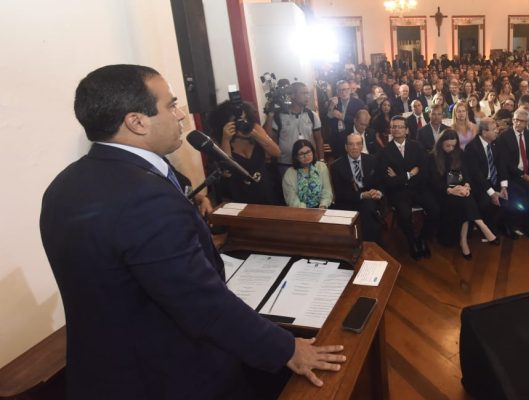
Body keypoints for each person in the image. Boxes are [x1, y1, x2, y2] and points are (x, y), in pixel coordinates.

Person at [41, 65, 344, 399]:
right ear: (136, 122)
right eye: (170, 106)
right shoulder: (145, 197)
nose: (181, 115)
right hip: (167, 376)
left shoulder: (64, 185)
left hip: (103, 371)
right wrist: (288, 350)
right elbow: (202, 304)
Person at [427, 130, 499, 259]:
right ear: (440, 144)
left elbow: (466, 174)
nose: (451, 149)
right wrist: (450, 190)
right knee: (464, 200)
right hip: (442, 192)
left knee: (465, 197)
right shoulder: (432, 157)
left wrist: (467, 185)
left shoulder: (459, 153)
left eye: (453, 146)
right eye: (447, 146)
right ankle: (481, 226)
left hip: (459, 188)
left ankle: (464, 240)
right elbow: (433, 183)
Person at [376, 116, 440, 259]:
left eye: (400, 127)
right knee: (404, 215)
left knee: (435, 210)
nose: (397, 129)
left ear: (406, 130)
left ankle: (422, 238)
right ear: (390, 130)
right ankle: (412, 241)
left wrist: (400, 177)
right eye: (394, 126)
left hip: (418, 188)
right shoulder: (384, 152)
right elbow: (387, 180)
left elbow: (424, 171)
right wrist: (410, 174)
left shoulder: (417, 146)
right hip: (399, 192)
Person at [208, 100, 281, 205]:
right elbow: (228, 171)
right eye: (238, 121)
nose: (243, 123)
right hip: (238, 192)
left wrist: (255, 135)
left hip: (263, 187)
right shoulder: (221, 140)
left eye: (245, 119)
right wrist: (226, 140)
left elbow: (277, 152)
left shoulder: (255, 129)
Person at [496, 108, 529, 239]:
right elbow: (505, 163)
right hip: (512, 174)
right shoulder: (504, 137)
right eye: (515, 120)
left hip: (528, 172)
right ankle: (513, 225)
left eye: (521, 121)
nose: (517, 123)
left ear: (527, 122)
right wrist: (524, 176)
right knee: (527, 190)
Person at [330, 133, 384, 244]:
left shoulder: (372, 160)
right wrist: (361, 195)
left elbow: (380, 183)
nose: (354, 147)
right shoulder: (336, 166)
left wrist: (378, 192)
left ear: (362, 146)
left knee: (369, 209)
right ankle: (367, 245)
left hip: (370, 196)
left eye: (358, 144)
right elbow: (340, 194)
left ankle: (371, 246)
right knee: (367, 211)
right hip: (348, 200)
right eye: (351, 144)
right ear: (346, 147)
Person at [264, 81, 324, 172]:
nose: (307, 96)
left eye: (307, 93)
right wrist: (271, 113)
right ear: (293, 96)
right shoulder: (279, 116)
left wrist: (322, 161)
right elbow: (270, 138)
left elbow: (319, 139)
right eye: (303, 93)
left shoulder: (312, 115)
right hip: (286, 164)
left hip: (309, 163)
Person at [283, 140, 333, 208]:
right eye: (301, 153)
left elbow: (327, 191)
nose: (306, 156)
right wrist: (306, 212)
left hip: (321, 208)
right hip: (300, 211)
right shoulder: (289, 173)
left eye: (308, 152)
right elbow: (292, 199)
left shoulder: (321, 166)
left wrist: (323, 206)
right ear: (296, 156)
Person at [326, 80, 365, 158]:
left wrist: (342, 117)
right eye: (340, 90)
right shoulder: (333, 102)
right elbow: (327, 121)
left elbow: (360, 122)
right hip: (336, 138)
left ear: (350, 90)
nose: (343, 92)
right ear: (337, 91)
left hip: (352, 137)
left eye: (346, 89)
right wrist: (331, 106)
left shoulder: (358, 103)